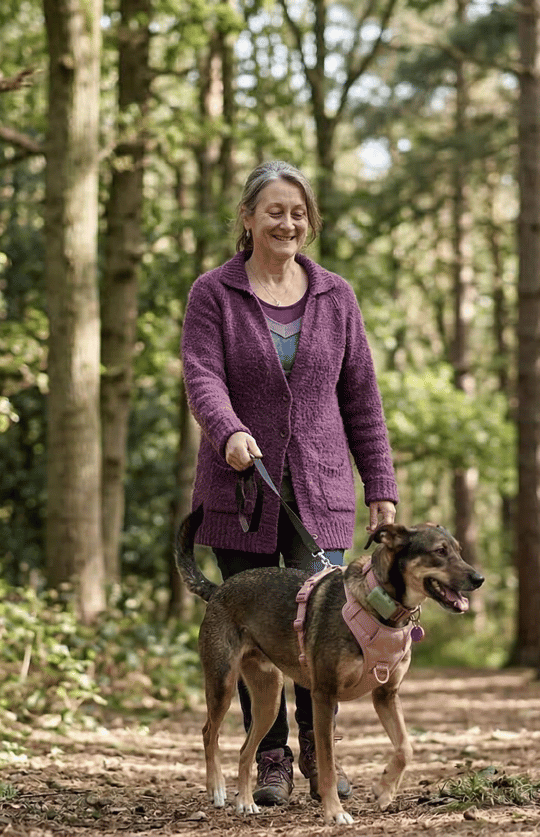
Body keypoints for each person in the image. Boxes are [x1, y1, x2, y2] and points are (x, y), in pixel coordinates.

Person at [181, 160, 399, 807]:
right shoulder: (214, 292)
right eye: (274, 210)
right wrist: (227, 429)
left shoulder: (337, 296)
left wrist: (379, 481)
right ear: (247, 219)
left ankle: (319, 757)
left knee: (326, 626)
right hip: (239, 489)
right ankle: (268, 757)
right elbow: (201, 375)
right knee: (262, 630)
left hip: (323, 491)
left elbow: (362, 397)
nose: (288, 222)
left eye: (298, 211)